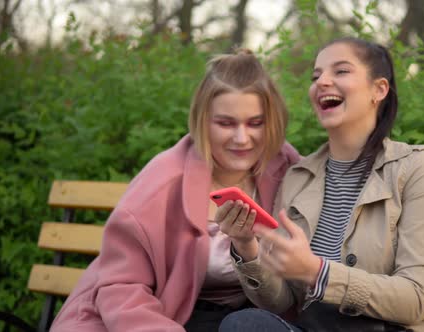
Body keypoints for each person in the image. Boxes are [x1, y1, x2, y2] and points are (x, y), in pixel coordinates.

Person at [217, 38, 424, 332]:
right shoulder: (298, 177)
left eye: (341, 71)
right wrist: (247, 247)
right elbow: (281, 301)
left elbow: (416, 299)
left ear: (379, 89)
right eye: (315, 75)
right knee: (244, 324)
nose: (322, 81)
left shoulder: (415, 167)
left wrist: (318, 272)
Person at [50, 49, 301, 331]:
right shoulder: (162, 182)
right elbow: (120, 286)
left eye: (255, 123)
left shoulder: (286, 169)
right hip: (157, 317)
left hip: (244, 320)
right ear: (202, 121)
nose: (242, 138)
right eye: (225, 123)